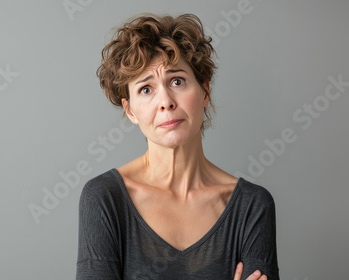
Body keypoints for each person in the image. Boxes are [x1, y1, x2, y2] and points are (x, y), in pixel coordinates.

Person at [76, 13, 279, 280]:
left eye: (177, 81)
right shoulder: (104, 198)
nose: (166, 102)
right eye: (146, 89)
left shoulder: (253, 206)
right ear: (130, 111)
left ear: (205, 91)